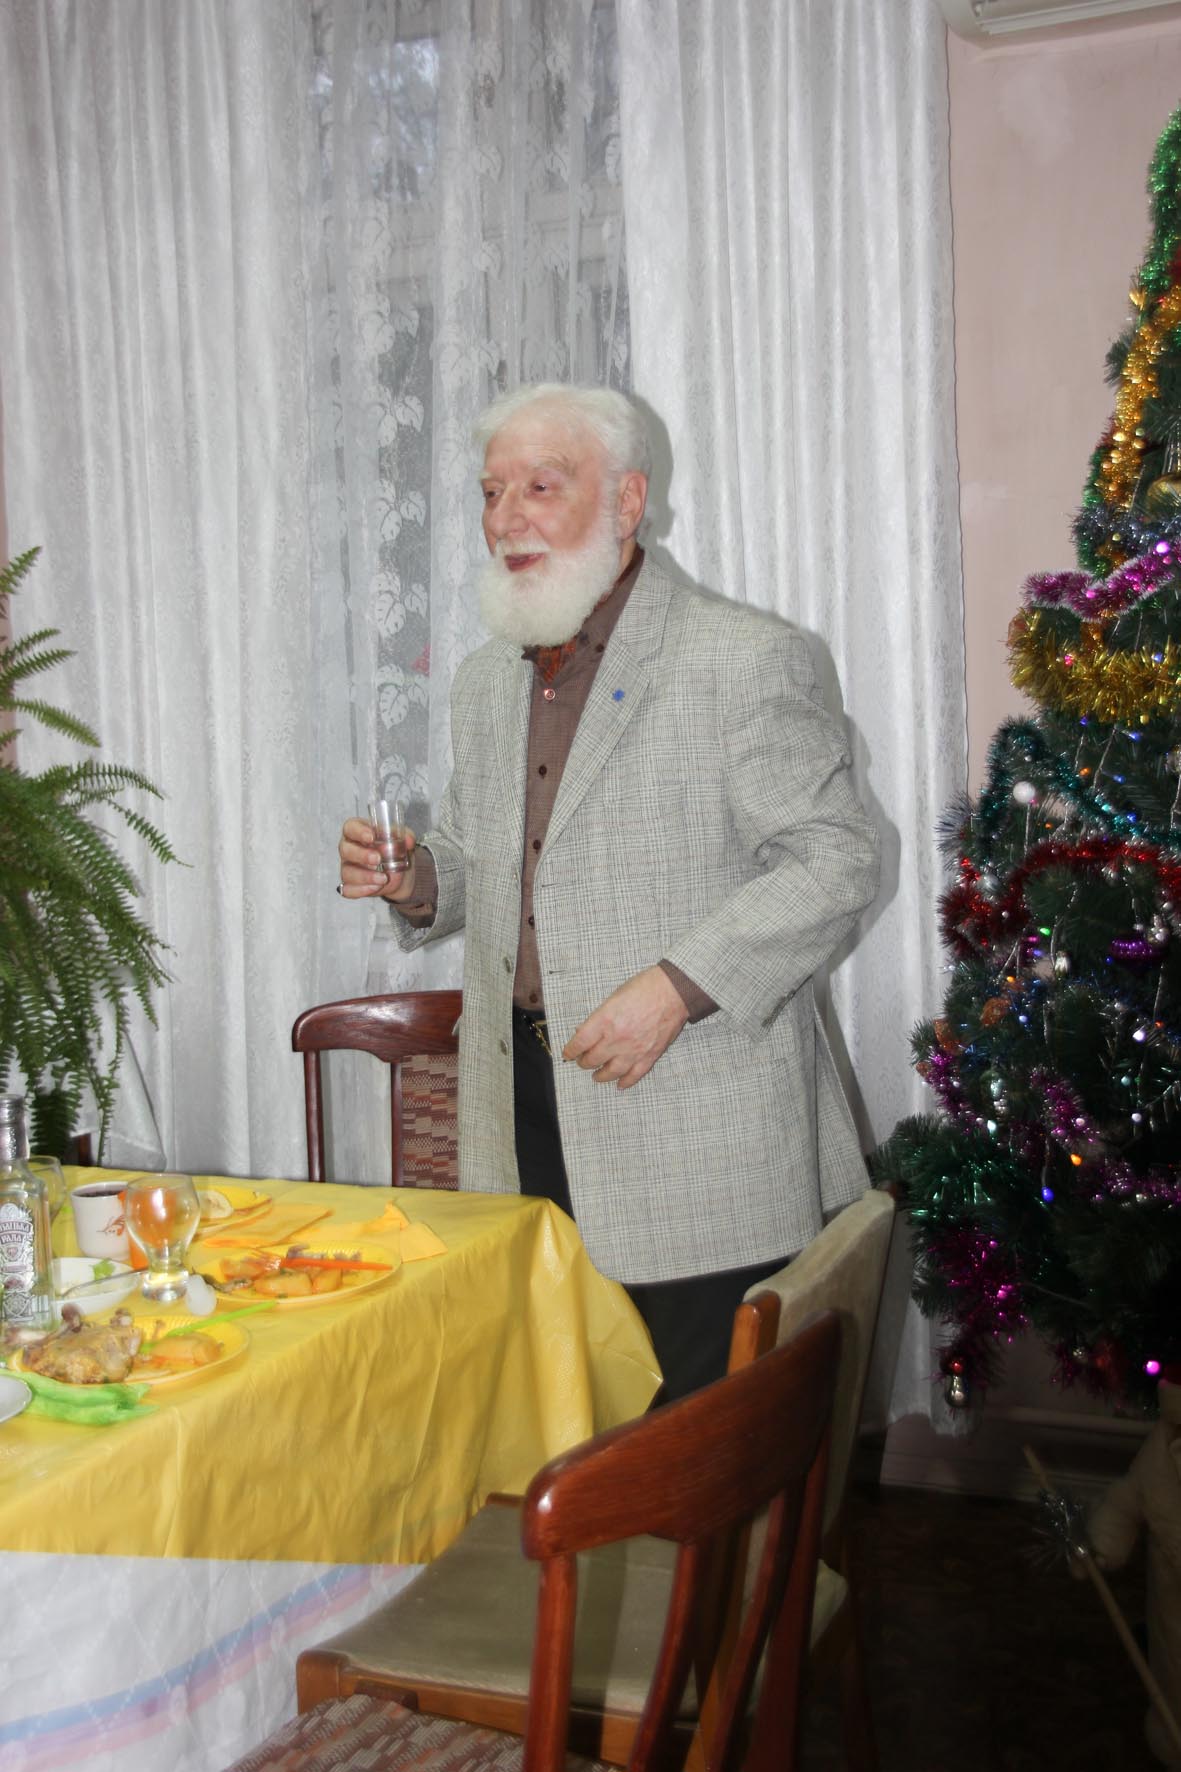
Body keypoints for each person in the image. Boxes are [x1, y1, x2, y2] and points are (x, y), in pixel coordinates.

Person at [339, 383, 880, 1401]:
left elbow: (837, 857)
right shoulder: (486, 681)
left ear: (627, 501)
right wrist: (415, 878)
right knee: (568, 1426)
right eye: (491, 491)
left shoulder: (743, 658)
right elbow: (480, 861)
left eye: (540, 486)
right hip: (520, 1119)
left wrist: (676, 987)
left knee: (696, 1457)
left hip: (696, 1136)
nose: (505, 518)